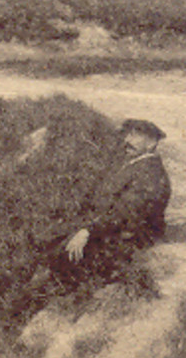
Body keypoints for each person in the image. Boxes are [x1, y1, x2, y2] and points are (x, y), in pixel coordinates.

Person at [55, 118, 171, 285]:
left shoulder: (151, 174)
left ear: (152, 142)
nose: (127, 141)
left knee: (62, 254)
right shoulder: (133, 162)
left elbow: (125, 212)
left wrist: (87, 231)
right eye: (128, 135)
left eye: (136, 136)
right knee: (50, 237)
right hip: (110, 226)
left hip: (132, 238)